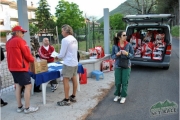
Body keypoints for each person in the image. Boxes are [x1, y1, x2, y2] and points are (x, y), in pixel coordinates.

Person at [6, 25, 39, 113]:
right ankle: (27, 108)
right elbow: (27, 55)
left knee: (18, 86)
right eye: (22, 32)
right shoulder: (21, 41)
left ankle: (19, 106)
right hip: (21, 68)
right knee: (28, 86)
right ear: (17, 32)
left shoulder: (8, 42)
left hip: (12, 68)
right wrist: (33, 59)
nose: (23, 34)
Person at [56, 24, 78, 106]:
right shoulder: (74, 39)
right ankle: (73, 96)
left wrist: (56, 56)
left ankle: (66, 99)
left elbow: (62, 54)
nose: (61, 32)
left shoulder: (65, 40)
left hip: (68, 63)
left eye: (62, 31)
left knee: (66, 80)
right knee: (74, 78)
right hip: (75, 62)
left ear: (66, 31)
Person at [111, 31, 134, 104]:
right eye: (124, 35)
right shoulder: (115, 46)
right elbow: (112, 56)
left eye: (126, 35)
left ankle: (123, 96)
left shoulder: (129, 45)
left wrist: (127, 53)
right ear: (119, 37)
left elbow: (132, 55)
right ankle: (117, 95)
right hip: (118, 66)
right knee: (118, 82)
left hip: (126, 66)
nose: (125, 36)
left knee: (124, 82)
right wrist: (117, 54)